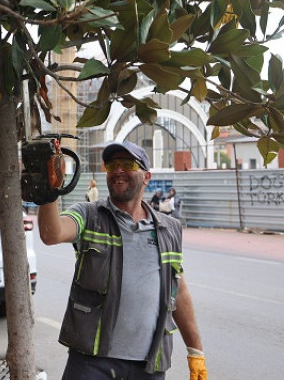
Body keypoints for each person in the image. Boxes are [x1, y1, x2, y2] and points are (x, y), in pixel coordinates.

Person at [37, 141, 207, 380]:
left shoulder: (170, 228)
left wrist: (195, 351)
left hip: (149, 365)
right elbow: (51, 233)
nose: (118, 170)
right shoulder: (89, 215)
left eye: (127, 164)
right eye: (112, 165)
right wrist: (49, 190)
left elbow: (177, 291)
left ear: (146, 177)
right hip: (92, 361)